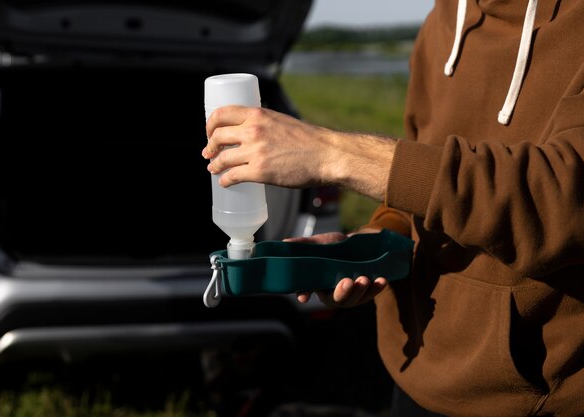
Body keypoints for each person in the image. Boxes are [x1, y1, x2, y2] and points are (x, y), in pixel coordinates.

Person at [202, 0, 584, 415]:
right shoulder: (444, 20)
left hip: (534, 395)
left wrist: (331, 152)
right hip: (413, 372)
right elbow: (422, 187)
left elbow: (560, 202)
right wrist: (373, 240)